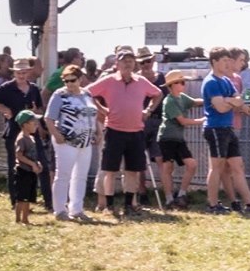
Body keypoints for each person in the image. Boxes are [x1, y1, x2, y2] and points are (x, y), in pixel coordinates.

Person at [85, 49, 161, 218]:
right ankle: (109, 205)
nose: (128, 63)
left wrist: (148, 110)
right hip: (114, 131)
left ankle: (129, 205)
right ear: (117, 64)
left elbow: (158, 94)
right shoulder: (109, 80)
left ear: (135, 64)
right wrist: (101, 109)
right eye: (124, 61)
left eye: (130, 60)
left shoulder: (141, 81)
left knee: (132, 170)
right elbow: (87, 92)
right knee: (110, 170)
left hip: (136, 131)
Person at [200, 48, 250, 214]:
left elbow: (239, 100)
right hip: (215, 128)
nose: (228, 63)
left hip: (228, 128)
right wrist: (233, 102)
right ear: (214, 62)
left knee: (237, 166)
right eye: (224, 60)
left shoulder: (226, 81)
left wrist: (229, 101)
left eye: (229, 60)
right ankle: (212, 205)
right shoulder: (211, 82)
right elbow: (220, 108)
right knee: (217, 167)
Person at [0, 59, 48, 209]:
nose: (21, 75)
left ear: (29, 72)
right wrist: (4, 109)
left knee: (42, 164)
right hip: (14, 131)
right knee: (15, 167)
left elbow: (40, 109)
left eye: (24, 72)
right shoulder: (7, 87)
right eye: (19, 72)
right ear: (14, 73)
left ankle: (49, 202)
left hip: (32, 132)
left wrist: (36, 114)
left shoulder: (34, 89)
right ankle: (16, 201)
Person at [45, 64, 100, 221]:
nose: (69, 84)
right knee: (63, 174)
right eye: (66, 81)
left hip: (86, 140)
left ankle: (76, 209)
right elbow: (49, 118)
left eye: (72, 80)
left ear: (80, 79)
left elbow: (93, 115)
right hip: (66, 140)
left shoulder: (87, 94)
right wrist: (56, 135)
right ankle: (59, 210)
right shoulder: (60, 95)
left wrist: (98, 131)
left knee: (81, 175)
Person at [154, 69, 202, 208]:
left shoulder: (182, 97)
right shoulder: (169, 101)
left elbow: (195, 102)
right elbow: (182, 121)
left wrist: (211, 99)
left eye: (183, 82)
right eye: (181, 82)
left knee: (191, 164)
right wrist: (201, 120)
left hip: (178, 139)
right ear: (172, 85)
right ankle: (169, 199)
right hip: (167, 138)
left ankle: (181, 194)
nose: (183, 84)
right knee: (168, 167)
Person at [10, 111, 46, 225]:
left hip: (30, 172)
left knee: (28, 197)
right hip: (22, 171)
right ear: (25, 124)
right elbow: (19, 155)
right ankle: (19, 219)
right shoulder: (21, 139)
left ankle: (25, 219)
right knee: (22, 198)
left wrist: (37, 163)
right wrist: (32, 164)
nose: (37, 124)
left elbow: (32, 155)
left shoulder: (31, 138)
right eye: (34, 122)